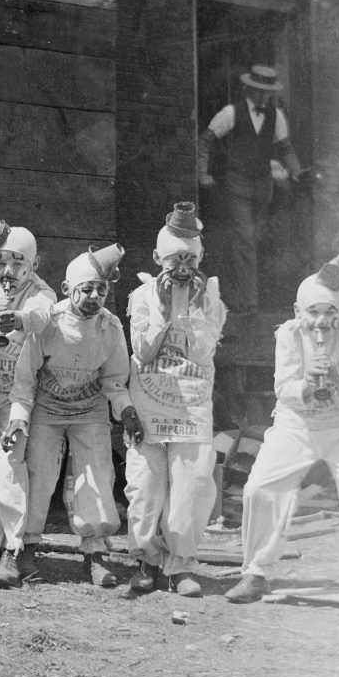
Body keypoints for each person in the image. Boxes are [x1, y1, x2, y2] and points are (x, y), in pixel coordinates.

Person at [224, 256, 339, 612]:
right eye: (313, 312)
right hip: (297, 424)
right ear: (298, 311)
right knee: (260, 488)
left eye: (329, 312)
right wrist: (307, 383)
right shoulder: (288, 335)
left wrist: (337, 379)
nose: (321, 321)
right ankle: (256, 572)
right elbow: (282, 388)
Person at [5, 244, 143, 588]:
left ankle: (95, 553)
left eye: (101, 289)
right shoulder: (49, 323)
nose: (94, 296)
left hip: (89, 410)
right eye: (86, 290)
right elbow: (25, 379)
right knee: (38, 475)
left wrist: (126, 412)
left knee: (96, 476)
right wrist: (19, 417)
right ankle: (25, 548)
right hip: (48, 410)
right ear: (67, 290)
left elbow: (114, 380)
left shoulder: (110, 327)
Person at [124, 203, 227, 597]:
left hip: (191, 402)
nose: (183, 266)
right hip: (151, 402)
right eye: (175, 259)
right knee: (147, 486)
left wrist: (195, 310)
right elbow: (143, 351)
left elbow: (203, 353)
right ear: (157, 259)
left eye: (191, 258)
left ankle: (181, 564)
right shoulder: (141, 295)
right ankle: (147, 560)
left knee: (194, 484)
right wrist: (166, 312)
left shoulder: (210, 295)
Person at [0, 226, 57, 589]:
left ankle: (12, 550)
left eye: (18, 263)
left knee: (9, 469)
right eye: (1, 261)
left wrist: (18, 318)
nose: (8, 271)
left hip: (14, 396)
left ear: (32, 264)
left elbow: (42, 314)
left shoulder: (40, 291)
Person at [196, 64, 304, 316]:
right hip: (237, 185)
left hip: (262, 188)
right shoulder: (231, 113)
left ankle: (239, 296)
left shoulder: (276, 116)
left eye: (268, 93)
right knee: (244, 240)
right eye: (260, 92)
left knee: (253, 241)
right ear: (249, 89)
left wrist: (296, 171)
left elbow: (285, 147)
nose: (264, 97)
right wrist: (203, 172)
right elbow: (206, 141)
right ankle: (248, 303)